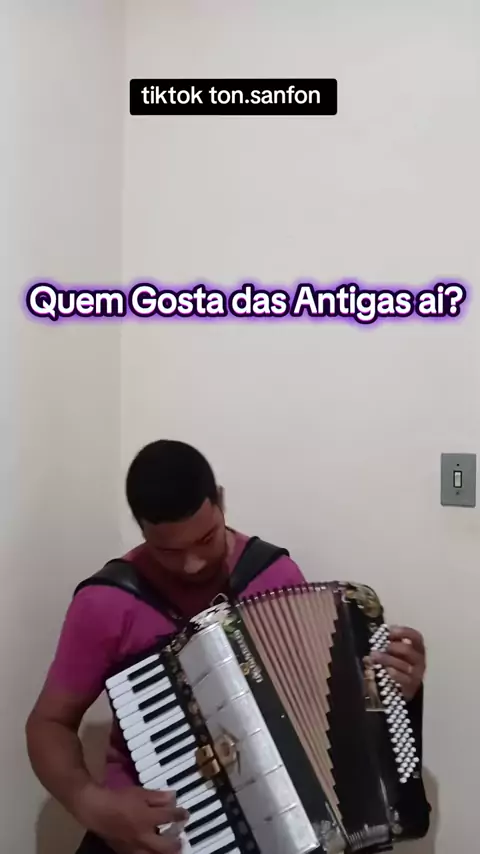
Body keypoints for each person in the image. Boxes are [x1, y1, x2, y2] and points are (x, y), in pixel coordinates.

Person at [25, 440, 427, 854]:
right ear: (142, 530)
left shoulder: (274, 577)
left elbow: (320, 710)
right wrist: (92, 805)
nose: (193, 564)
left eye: (206, 539)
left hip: (277, 825)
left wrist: (391, 688)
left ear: (220, 501)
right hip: (154, 834)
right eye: (169, 551)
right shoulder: (106, 603)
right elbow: (48, 724)